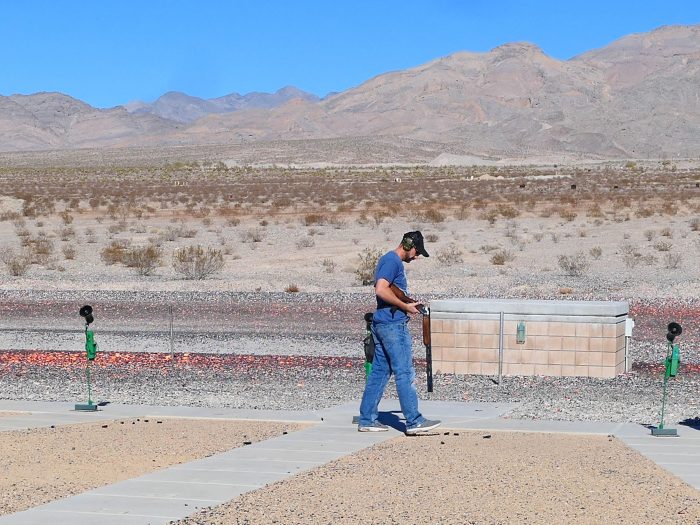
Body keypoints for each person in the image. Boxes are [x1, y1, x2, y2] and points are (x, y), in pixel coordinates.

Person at [358, 231, 441, 435]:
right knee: (404, 372)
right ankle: (414, 421)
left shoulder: (389, 260)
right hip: (392, 327)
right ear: (408, 245)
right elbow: (381, 289)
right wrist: (405, 307)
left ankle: (367, 419)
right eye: (416, 251)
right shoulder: (392, 261)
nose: (417, 256)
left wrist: (408, 302)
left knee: (379, 372)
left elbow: (389, 291)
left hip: (384, 324)